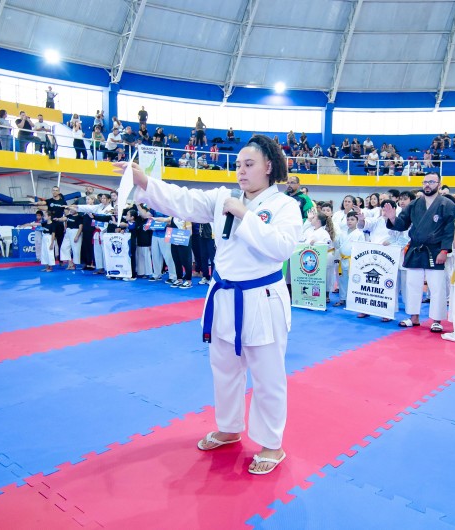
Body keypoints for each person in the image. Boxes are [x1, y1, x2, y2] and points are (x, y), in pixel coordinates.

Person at [115, 134, 301, 475]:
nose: (241, 171)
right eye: (238, 165)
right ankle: (229, 427)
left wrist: (245, 215)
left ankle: (271, 444)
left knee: (267, 375)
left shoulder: (285, 206)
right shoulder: (222, 198)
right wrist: (145, 182)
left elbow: (282, 248)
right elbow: (183, 200)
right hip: (224, 296)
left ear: (268, 167)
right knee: (224, 368)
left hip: (262, 298)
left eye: (249, 165)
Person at [384, 173, 455, 332]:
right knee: (413, 285)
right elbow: (403, 224)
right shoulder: (414, 204)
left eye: (431, 182)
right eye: (425, 182)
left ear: (439, 184)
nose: (427, 185)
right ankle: (414, 317)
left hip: (435, 249)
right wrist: (393, 218)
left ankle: (436, 320)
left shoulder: (447, 204)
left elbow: (449, 230)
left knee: (437, 286)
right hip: (416, 248)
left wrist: (444, 250)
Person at [334, 211, 365, 307]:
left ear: (357, 221)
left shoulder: (359, 234)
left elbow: (361, 249)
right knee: (342, 280)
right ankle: (342, 299)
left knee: (353, 281)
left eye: (352, 219)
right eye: (348, 219)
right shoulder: (342, 233)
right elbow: (337, 246)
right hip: (343, 259)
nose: (349, 221)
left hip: (353, 261)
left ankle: (352, 300)